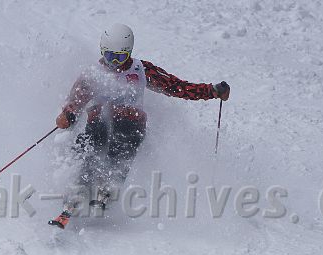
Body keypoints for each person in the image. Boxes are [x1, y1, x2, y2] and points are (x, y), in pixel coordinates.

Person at [49, 23, 230, 228]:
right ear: (102, 51)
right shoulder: (93, 73)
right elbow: (75, 99)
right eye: (110, 56)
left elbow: (176, 86)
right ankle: (76, 193)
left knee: (123, 142)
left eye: (120, 57)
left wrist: (211, 91)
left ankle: (108, 188)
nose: (115, 63)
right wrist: (68, 114)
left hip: (130, 124)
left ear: (129, 53)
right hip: (98, 123)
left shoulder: (141, 70)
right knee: (89, 146)